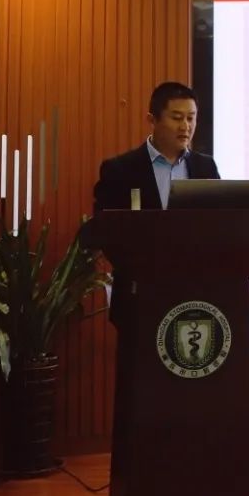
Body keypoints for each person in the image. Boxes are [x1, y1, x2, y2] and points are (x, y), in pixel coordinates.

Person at [93, 81, 220, 325]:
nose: (186, 126)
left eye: (191, 118)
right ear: (152, 119)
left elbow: (219, 223)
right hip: (139, 297)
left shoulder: (205, 167)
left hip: (196, 297)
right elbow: (104, 228)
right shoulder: (121, 169)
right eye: (177, 118)